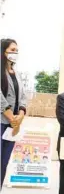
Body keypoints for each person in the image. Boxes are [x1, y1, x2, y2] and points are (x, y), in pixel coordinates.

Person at [1, 38, 27, 189]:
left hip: (12, 127)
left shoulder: (17, 74)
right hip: (3, 121)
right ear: (3, 51)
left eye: (16, 50)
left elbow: (23, 96)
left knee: (4, 163)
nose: (15, 53)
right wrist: (11, 117)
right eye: (12, 50)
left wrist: (21, 114)